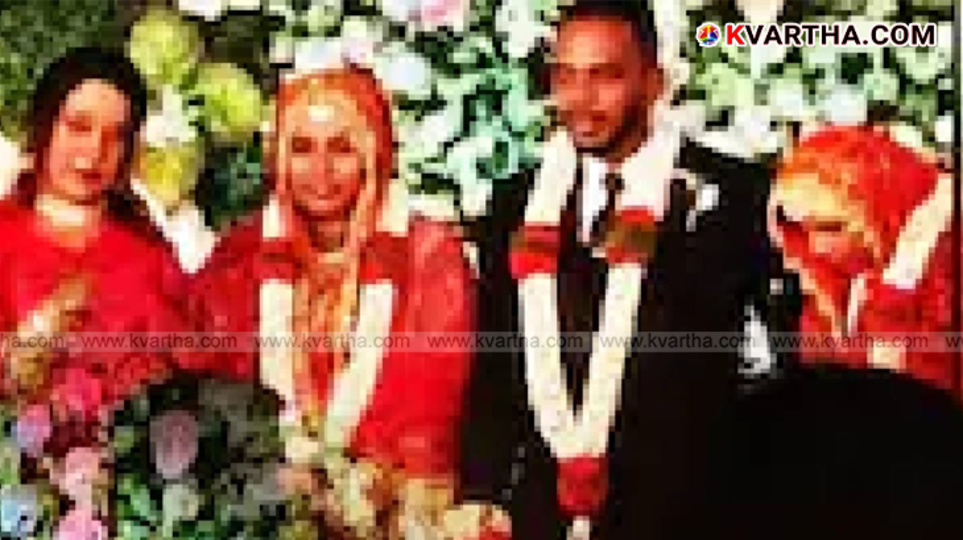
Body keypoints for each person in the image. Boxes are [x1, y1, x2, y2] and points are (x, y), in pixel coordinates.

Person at [457, 1, 775, 538]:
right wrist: (482, 494)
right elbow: (492, 371)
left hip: (691, 515)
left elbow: (769, 370)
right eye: (565, 76)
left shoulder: (733, 196)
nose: (580, 100)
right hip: (545, 516)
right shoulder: (518, 203)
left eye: (604, 77)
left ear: (655, 82)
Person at [190, 66, 475, 536]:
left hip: (392, 513)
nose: (320, 171)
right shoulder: (240, 257)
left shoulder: (428, 256)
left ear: (375, 153)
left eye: (341, 149)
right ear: (277, 157)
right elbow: (213, 390)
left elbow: (429, 414)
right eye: (301, 149)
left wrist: (351, 488)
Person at [0, 47, 188, 428]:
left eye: (115, 136)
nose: (94, 151)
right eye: (78, 127)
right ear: (43, 126)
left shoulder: (149, 259)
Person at [768, 126, 957, 397]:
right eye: (799, 227)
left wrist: (898, 283)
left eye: (832, 227)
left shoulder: (944, 272)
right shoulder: (824, 277)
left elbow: (916, 400)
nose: (817, 245)